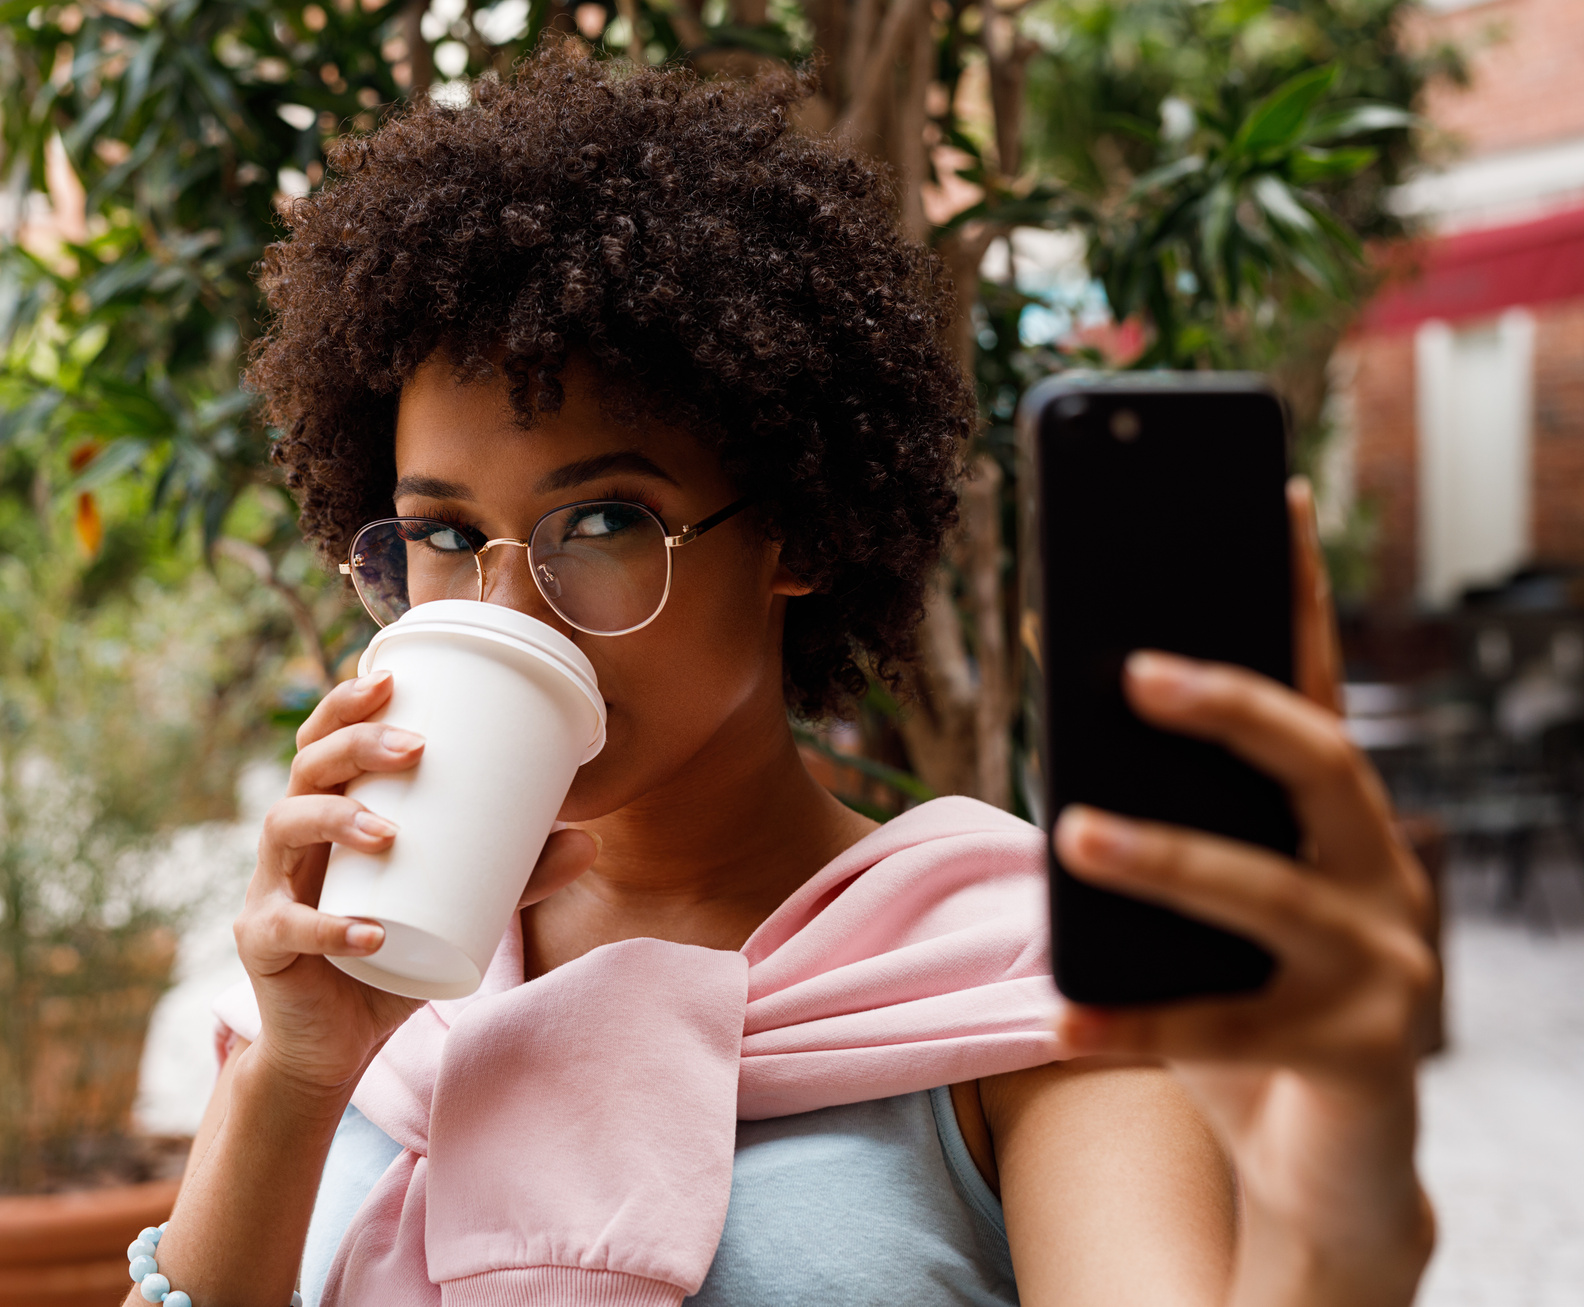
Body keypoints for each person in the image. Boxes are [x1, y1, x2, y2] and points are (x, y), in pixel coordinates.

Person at [130, 41, 1437, 1307]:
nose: (510, 607)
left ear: (797, 535)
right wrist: (296, 1076)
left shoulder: (1011, 973)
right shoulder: (384, 977)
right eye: (449, 536)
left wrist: (1345, 1227)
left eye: (604, 523)